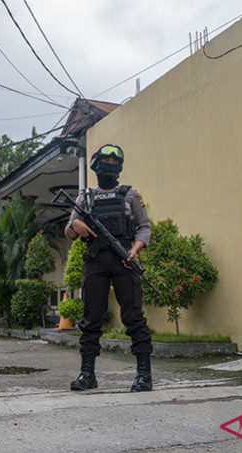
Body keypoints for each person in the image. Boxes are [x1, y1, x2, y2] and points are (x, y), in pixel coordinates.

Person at [64, 144, 153, 392]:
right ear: (95, 164)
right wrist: (77, 227)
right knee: (91, 318)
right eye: (105, 161)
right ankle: (87, 374)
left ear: (120, 168)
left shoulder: (130, 194)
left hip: (124, 258)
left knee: (133, 316)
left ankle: (144, 375)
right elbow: (69, 231)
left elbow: (144, 227)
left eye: (114, 163)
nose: (109, 167)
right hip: (95, 261)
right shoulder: (85, 197)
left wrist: (135, 250)